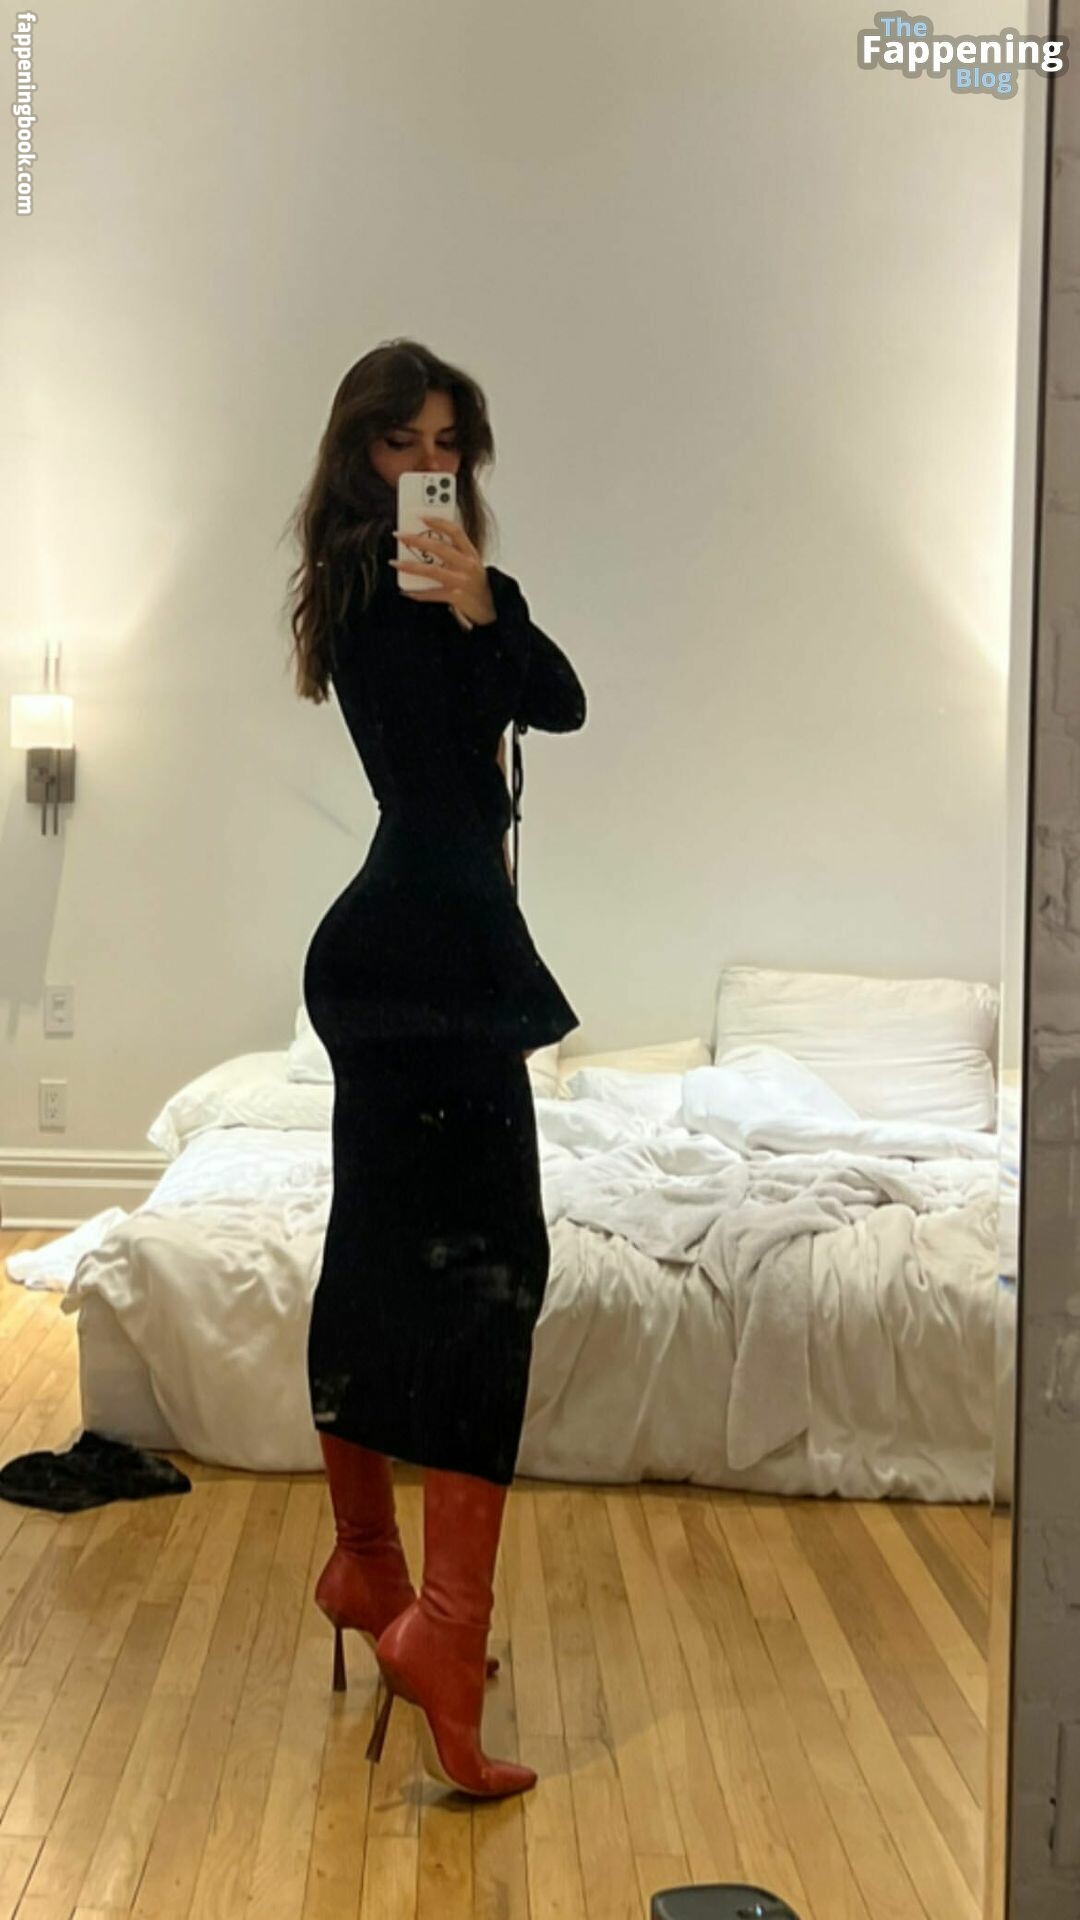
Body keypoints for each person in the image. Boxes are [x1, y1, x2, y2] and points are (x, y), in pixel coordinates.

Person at [284, 338, 587, 1799]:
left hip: (410, 953)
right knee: (491, 1274)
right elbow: (431, 747)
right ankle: (443, 1632)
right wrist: (463, 613)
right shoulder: (364, 594)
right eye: (400, 442)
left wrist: (484, 602)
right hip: (427, 961)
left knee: (380, 1253)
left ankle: (371, 1567)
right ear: (361, 457)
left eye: (447, 442)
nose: (426, 466)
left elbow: (562, 701)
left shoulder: (462, 594)